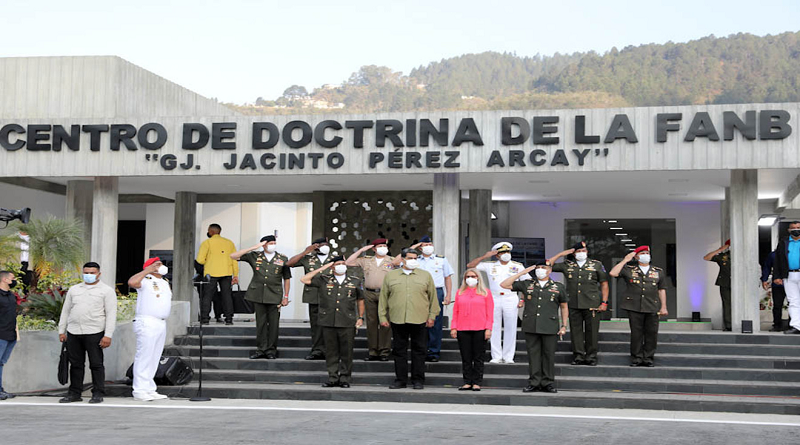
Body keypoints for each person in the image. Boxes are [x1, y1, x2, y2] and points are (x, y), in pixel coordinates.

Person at [379, 248, 439, 390]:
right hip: (397, 318)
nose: (413, 261)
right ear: (403, 259)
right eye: (410, 258)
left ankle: (418, 380)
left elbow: (433, 298)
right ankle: (400, 380)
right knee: (399, 350)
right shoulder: (391, 276)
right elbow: (383, 298)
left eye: (415, 258)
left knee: (419, 350)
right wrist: (382, 316)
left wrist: (432, 315)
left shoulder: (425, 276)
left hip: (420, 318)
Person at [57, 262, 117, 404]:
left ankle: (97, 393)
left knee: (96, 364)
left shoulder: (106, 291)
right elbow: (65, 311)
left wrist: (108, 335)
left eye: (92, 273)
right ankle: (74, 393)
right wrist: (62, 330)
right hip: (74, 331)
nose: (89, 275)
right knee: (76, 364)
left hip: (95, 331)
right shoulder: (74, 289)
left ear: (99, 274)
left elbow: (111, 314)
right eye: (86, 273)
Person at [301, 256, 365, 388]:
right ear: (332, 267)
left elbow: (360, 300)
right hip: (328, 320)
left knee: (346, 352)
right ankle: (333, 377)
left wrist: (360, 317)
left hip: (347, 321)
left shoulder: (354, 281)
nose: (341, 266)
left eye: (343, 263)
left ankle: (345, 378)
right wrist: (323, 268)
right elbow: (304, 279)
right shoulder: (324, 279)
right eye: (338, 264)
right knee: (331, 351)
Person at [467, 242, 531, 364]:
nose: (506, 254)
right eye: (502, 253)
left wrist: (522, 299)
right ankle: (496, 356)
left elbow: (526, 284)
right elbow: (470, 266)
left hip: (510, 297)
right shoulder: (490, 265)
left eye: (507, 252)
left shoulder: (517, 266)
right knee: (494, 326)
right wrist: (485, 256)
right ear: (497, 255)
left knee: (511, 327)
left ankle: (508, 356)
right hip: (494, 298)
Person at [549, 241, 609, 366]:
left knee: (592, 331)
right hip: (573, 302)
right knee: (576, 331)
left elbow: (604, 284)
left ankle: (591, 357)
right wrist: (562, 254)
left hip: (592, 303)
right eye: (579, 251)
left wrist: (604, 302)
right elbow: (548, 265)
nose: (582, 253)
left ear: (587, 252)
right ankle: (578, 356)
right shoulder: (568, 265)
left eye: (584, 251)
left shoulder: (596, 265)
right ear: (574, 253)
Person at [231, 235, 291, 358]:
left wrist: (285, 296)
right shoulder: (255, 256)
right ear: (263, 244)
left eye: (274, 242)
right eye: (270, 243)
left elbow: (287, 279)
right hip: (258, 294)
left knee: (273, 324)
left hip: (275, 295)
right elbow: (233, 256)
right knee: (261, 323)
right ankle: (261, 349)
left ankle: (271, 350)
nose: (273, 245)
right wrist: (254, 247)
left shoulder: (282, 258)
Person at [610, 246, 668, 366]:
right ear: (636, 256)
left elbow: (661, 289)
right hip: (634, 306)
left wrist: (664, 307)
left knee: (651, 333)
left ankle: (648, 357)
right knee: (636, 333)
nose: (645, 255)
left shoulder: (658, 271)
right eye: (642, 253)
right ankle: (636, 357)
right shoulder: (629, 269)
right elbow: (613, 273)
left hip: (652, 305)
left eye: (647, 253)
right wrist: (625, 260)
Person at [345, 238, 400, 361]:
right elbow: (348, 262)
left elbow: (402, 260)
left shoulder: (391, 260)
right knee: (371, 323)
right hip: (369, 293)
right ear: (374, 248)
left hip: (386, 294)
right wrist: (362, 250)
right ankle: (373, 351)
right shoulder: (367, 260)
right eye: (380, 246)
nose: (383, 248)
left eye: (384, 246)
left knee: (385, 322)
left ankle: (384, 351)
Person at [127, 258, 172, 401]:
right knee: (144, 356)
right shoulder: (145, 280)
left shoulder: (165, 283)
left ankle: (149, 388)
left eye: (161, 264)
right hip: (147, 321)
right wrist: (148, 270)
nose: (161, 266)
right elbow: (132, 283)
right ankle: (139, 390)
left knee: (154, 357)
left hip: (161, 322)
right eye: (157, 264)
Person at [287, 237, 333, 360]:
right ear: (315, 247)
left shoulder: (334, 259)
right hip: (314, 295)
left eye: (326, 244)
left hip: (331, 296)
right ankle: (317, 350)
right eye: (321, 245)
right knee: (316, 325)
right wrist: (305, 252)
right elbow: (289, 263)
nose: (325, 246)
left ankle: (330, 350)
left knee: (330, 324)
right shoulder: (308, 259)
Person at [411, 235, 455, 362]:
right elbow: (398, 261)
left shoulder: (441, 260)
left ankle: (434, 351)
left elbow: (447, 277)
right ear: (420, 248)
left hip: (437, 291)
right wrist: (413, 247)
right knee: (420, 321)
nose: (428, 247)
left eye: (429, 244)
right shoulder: (415, 260)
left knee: (435, 322)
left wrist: (448, 295)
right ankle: (421, 350)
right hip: (418, 292)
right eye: (425, 245)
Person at [450, 269, 493, 391]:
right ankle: (467, 381)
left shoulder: (485, 293)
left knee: (478, 357)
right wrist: (454, 327)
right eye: (468, 276)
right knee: (466, 357)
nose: (470, 278)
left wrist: (488, 328)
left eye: (473, 276)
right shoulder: (460, 293)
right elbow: (456, 312)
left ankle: (477, 382)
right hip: (463, 328)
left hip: (480, 328)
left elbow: (490, 313)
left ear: (478, 278)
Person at [196, 223, 239, 325]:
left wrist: (209, 260)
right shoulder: (229, 243)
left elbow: (200, 260)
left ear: (211, 231)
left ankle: (205, 318)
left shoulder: (207, 243)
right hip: (227, 273)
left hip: (211, 273)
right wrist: (235, 275)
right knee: (226, 296)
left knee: (207, 296)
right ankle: (229, 319)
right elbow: (235, 260)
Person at [772, 221, 800, 334]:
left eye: (798, 227)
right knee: (793, 301)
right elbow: (777, 261)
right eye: (793, 228)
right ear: (789, 230)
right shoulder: (784, 242)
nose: (796, 230)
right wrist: (777, 276)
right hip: (788, 275)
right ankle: (796, 326)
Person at [703, 240, 732, 331]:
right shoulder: (724, 256)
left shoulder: (743, 255)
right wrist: (719, 250)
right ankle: (728, 325)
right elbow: (706, 258)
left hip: (740, 284)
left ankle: (740, 322)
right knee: (727, 304)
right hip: (725, 283)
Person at [0, 271, 19, 401]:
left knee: (1, 363)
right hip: (0, 334)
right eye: (12, 278)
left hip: (11, 334)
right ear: (5, 279)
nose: (14, 281)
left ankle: (0, 389)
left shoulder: (11, 296)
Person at [762, 250, 788, 332]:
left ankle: (794, 325)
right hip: (778, 284)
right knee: (777, 305)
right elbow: (767, 266)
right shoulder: (773, 255)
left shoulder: (795, 253)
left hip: (792, 283)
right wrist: (764, 279)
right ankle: (777, 325)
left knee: (794, 305)